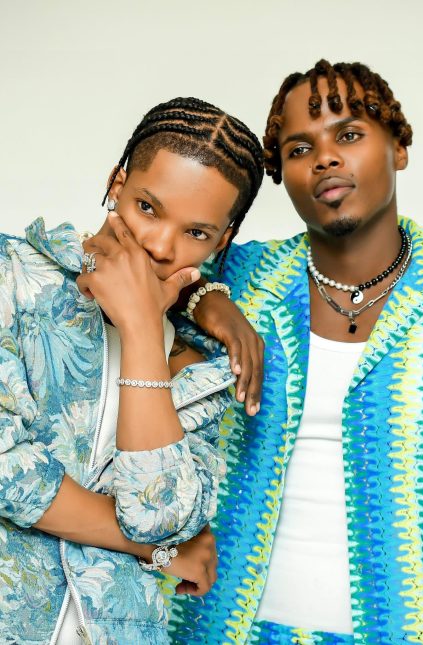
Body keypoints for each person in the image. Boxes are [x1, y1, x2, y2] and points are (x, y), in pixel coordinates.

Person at [167, 61, 423, 644]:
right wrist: (209, 300)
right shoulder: (242, 277)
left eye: (350, 134)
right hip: (221, 627)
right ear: (282, 174)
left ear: (399, 147)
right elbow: (128, 259)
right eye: (299, 149)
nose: (325, 158)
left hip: (411, 631)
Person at [0, 97, 265, 644]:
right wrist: (153, 551)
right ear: (116, 183)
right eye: (148, 206)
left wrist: (144, 331)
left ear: (222, 240)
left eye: (197, 233)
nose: (160, 245)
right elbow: (7, 473)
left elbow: (160, 517)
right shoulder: (13, 279)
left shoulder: (200, 368)